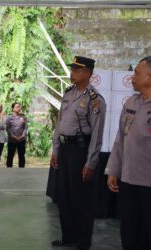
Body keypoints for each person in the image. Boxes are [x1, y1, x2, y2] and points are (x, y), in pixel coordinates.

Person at [50, 56, 106, 250]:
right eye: (72, 69)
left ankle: (83, 242)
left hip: (80, 151)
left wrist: (90, 163)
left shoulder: (95, 99)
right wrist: (56, 149)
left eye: (76, 70)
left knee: (81, 199)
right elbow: (60, 124)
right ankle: (68, 236)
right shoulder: (68, 93)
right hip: (65, 150)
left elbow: (97, 134)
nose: (72, 73)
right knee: (64, 196)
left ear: (88, 73)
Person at [105, 56, 151, 250]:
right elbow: (120, 140)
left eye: (137, 73)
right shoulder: (131, 102)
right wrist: (114, 170)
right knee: (129, 232)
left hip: (149, 184)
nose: (132, 77)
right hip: (129, 180)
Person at [6, 102, 28, 168]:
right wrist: (12, 136)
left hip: (21, 140)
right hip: (12, 140)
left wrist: (23, 135)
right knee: (10, 156)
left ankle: (22, 170)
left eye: (19, 107)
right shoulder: (9, 118)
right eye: (17, 107)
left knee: (21, 156)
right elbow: (7, 128)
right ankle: (9, 169)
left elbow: (25, 127)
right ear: (13, 108)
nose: (19, 108)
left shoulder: (23, 117)